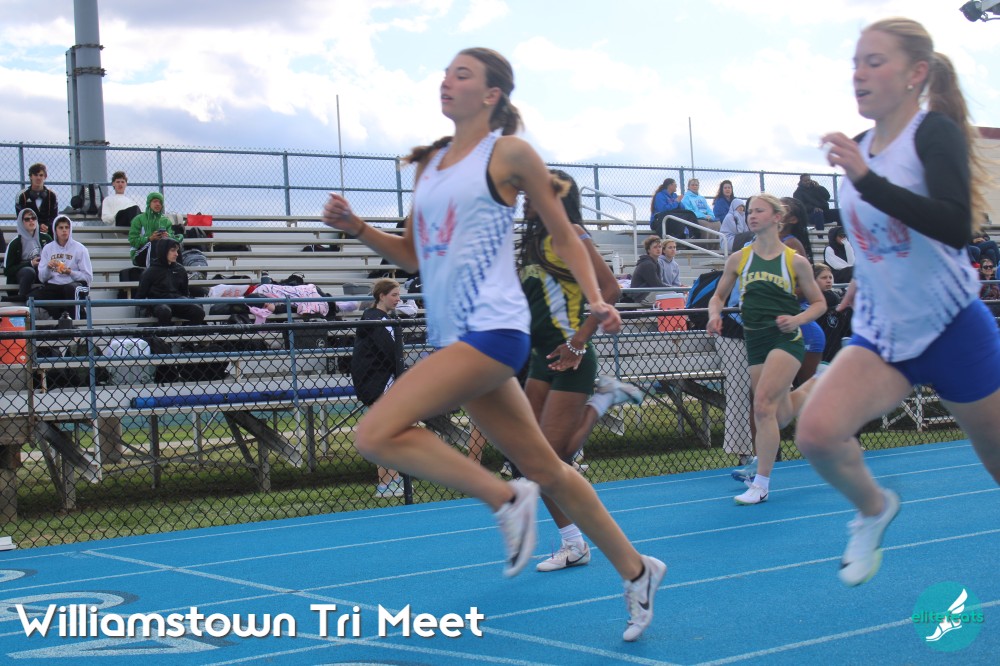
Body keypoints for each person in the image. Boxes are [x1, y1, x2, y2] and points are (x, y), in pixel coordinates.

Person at [321, 47, 664, 641]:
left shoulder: (508, 154)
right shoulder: (430, 166)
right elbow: (413, 256)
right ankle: (638, 570)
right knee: (547, 468)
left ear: (491, 94)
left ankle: (504, 499)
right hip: (456, 337)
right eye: (444, 72)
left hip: (495, 329)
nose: (446, 81)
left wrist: (596, 297)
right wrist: (358, 228)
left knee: (375, 434)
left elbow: (566, 233)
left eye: (461, 74)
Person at [798, 17, 1000, 587]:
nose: (859, 74)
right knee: (817, 434)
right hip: (884, 336)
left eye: (874, 61)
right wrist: (863, 284)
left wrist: (867, 180)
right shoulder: (858, 149)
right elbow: (878, 245)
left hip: (953, 327)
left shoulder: (933, 134)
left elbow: (955, 226)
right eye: (855, 63)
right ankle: (873, 508)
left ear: (916, 73)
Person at [516, 169, 644, 573]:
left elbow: (611, 288)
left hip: (571, 356)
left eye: (532, 191)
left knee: (552, 459)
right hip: (541, 357)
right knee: (531, 459)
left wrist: (578, 342)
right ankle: (573, 543)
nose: (524, 198)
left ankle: (603, 399)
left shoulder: (570, 232)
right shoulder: (530, 243)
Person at [707, 193, 825, 505]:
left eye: (759, 211)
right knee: (779, 414)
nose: (752, 215)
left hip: (785, 339)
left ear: (777, 217)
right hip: (755, 340)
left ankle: (760, 483)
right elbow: (718, 296)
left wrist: (797, 319)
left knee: (761, 406)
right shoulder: (739, 258)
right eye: (750, 211)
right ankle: (818, 382)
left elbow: (819, 303)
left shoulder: (794, 261)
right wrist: (714, 315)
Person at [351, 278, 409, 498]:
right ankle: (386, 482)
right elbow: (389, 351)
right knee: (383, 431)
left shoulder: (384, 319)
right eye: (394, 295)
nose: (398, 299)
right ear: (381, 296)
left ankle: (391, 478)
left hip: (384, 380)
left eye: (399, 295)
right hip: (375, 382)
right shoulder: (373, 319)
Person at [34, 215, 93, 319]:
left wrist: (69, 272)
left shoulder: (80, 249)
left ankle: (75, 324)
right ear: (55, 230)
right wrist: (48, 268)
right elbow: (42, 278)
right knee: (36, 295)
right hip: (55, 285)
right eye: (61, 228)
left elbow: (88, 277)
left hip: (76, 285)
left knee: (70, 289)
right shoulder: (47, 248)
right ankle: (58, 322)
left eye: (67, 227)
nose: (64, 230)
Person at [136, 238, 205, 325]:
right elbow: (140, 296)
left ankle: (187, 332)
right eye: (173, 250)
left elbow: (185, 292)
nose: (176, 254)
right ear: (163, 251)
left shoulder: (180, 269)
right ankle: (166, 333)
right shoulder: (150, 272)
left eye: (177, 250)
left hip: (178, 301)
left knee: (199, 312)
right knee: (164, 311)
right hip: (158, 303)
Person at [4, 209, 51, 302]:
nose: (31, 221)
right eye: (27, 219)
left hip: (42, 270)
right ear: (21, 222)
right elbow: (8, 270)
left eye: (33, 218)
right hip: (23, 274)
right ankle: (23, 300)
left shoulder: (46, 238)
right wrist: (30, 264)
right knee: (29, 271)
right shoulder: (15, 243)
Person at [129, 192, 182, 267]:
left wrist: (168, 237)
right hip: (139, 254)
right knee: (154, 243)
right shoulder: (138, 219)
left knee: (175, 245)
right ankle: (153, 271)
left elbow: (172, 237)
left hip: (161, 252)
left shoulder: (166, 221)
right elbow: (133, 241)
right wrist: (149, 238)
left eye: (160, 202)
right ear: (149, 203)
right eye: (155, 201)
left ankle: (178, 271)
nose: (158, 204)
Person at [814, 263, 853, 362]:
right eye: (824, 278)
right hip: (819, 353)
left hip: (835, 352)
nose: (828, 280)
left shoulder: (835, 297)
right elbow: (831, 298)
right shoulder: (812, 299)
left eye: (830, 277)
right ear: (813, 281)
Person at [14, 163, 58, 235]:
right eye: (35, 175)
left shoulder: (52, 195)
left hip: (48, 233)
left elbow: (54, 217)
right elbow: (21, 218)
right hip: (28, 233)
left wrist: (47, 226)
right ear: (31, 176)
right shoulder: (22, 196)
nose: (38, 178)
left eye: (41, 175)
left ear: (45, 177)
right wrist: (38, 226)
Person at [629, 235, 668, 304]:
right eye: (655, 247)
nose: (658, 249)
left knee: (674, 294)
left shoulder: (656, 264)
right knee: (672, 294)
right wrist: (674, 289)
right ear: (648, 250)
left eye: (660, 247)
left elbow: (658, 284)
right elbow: (656, 285)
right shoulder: (647, 264)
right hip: (642, 297)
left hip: (648, 293)